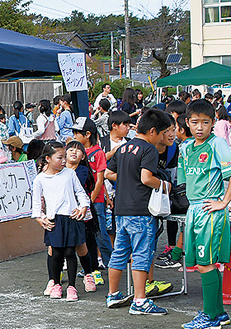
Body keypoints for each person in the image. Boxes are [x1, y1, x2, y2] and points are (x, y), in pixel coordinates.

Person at [177, 100, 231, 329]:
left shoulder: (217, 145)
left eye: (205, 123)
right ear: (187, 122)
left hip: (210, 210)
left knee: (206, 264)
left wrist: (224, 202)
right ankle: (218, 313)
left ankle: (210, 316)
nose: (199, 127)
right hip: (194, 209)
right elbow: (185, 181)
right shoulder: (185, 147)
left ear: (213, 124)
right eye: (194, 122)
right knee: (201, 263)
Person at [104, 108, 173, 315]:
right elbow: (146, 178)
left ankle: (113, 295)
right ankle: (140, 301)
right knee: (142, 254)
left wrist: (127, 179)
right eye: (161, 134)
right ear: (152, 131)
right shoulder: (149, 149)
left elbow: (108, 172)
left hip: (122, 211)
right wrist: (164, 185)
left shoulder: (124, 148)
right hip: (140, 211)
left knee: (119, 253)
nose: (162, 138)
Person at [32, 141, 91, 300]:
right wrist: (40, 218)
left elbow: (81, 194)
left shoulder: (70, 174)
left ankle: (72, 286)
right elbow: (36, 204)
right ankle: (56, 284)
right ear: (48, 159)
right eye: (60, 157)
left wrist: (83, 208)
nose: (64, 160)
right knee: (56, 253)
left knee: (70, 252)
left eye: (65, 157)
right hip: (53, 220)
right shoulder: (40, 179)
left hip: (71, 218)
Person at [72, 116, 111, 283]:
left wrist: (90, 201)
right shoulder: (77, 153)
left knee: (100, 234)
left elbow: (100, 180)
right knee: (86, 237)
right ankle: (90, 267)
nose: (74, 136)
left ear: (87, 134)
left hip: (95, 201)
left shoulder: (98, 152)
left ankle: (112, 264)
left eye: (77, 133)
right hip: (83, 203)